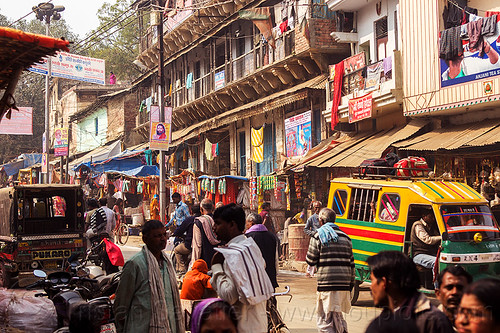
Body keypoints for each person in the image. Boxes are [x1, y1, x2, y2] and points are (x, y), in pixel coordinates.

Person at [211, 203, 274, 333]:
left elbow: (229, 296)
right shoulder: (251, 247)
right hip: (258, 325)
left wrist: (216, 266)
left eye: (217, 223)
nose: (214, 227)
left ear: (232, 225)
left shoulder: (233, 254)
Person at [114, 220, 184, 333]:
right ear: (145, 239)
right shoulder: (135, 264)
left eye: (164, 235)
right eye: (157, 236)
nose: (163, 239)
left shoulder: (167, 263)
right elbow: (122, 302)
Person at [367, 251, 453, 333]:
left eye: (372, 280)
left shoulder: (433, 321)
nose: (371, 287)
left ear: (384, 283)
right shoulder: (385, 319)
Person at [306, 208, 354, 333]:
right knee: (337, 316)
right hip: (344, 284)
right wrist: (350, 285)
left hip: (327, 284)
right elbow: (351, 264)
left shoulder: (318, 236)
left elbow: (310, 260)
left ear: (321, 221)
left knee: (325, 320)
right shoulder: (346, 237)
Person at [190, 198, 219, 269]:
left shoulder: (199, 222)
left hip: (204, 263)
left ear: (201, 209)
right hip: (218, 261)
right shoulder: (219, 220)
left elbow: (197, 246)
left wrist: (194, 265)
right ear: (212, 208)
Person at [174, 203, 200, 274]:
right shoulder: (206, 219)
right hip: (202, 245)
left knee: (177, 250)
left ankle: (182, 269)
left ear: (191, 211)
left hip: (190, 245)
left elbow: (178, 231)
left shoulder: (190, 220)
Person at [304, 200, 322, 278]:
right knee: (312, 255)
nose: (317, 209)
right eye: (315, 208)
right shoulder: (311, 218)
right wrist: (313, 234)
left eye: (318, 207)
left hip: (323, 239)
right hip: (315, 239)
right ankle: (309, 271)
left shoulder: (324, 217)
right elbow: (306, 229)